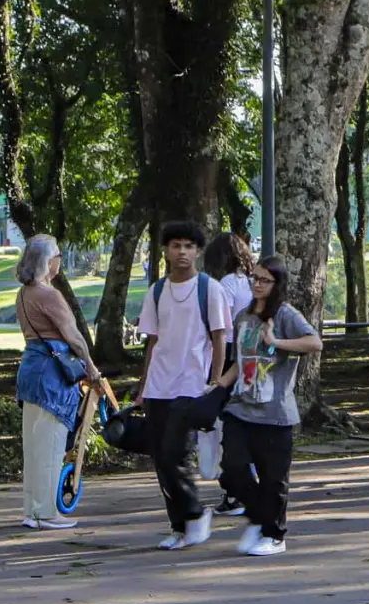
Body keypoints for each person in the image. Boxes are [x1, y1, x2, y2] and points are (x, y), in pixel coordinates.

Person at [215, 256, 322, 557]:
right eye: (254, 278)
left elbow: (315, 343)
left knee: (274, 479)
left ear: (277, 284)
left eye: (264, 280)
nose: (257, 284)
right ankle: (259, 517)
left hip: (275, 413)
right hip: (241, 407)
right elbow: (240, 361)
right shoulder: (244, 317)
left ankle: (274, 535)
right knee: (233, 469)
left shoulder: (286, 314)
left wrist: (277, 341)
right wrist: (219, 386)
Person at [136, 221, 229, 550]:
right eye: (176, 245)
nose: (182, 252)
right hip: (158, 386)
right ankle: (179, 526)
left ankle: (195, 513)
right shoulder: (157, 291)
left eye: (189, 246)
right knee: (161, 459)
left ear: (198, 251)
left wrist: (215, 382)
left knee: (176, 453)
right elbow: (153, 341)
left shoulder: (210, 289)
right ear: (165, 250)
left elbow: (220, 338)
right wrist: (142, 385)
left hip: (191, 385)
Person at [15, 235, 101, 530]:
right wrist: (91, 367)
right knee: (51, 446)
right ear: (48, 261)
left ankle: (32, 510)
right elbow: (74, 336)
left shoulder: (24, 293)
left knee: (34, 446)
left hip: (31, 370)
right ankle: (47, 512)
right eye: (59, 256)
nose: (60, 261)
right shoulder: (49, 295)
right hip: (52, 375)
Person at [202, 232, 255, 516]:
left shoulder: (222, 286)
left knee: (225, 424)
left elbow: (219, 329)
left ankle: (234, 492)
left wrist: (214, 374)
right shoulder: (248, 282)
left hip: (228, 352)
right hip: (248, 352)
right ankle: (244, 487)